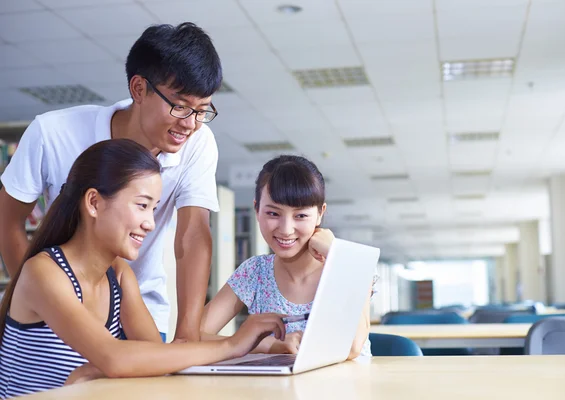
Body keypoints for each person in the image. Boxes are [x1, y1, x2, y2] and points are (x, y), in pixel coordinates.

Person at [0, 140, 285, 399]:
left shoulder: (120, 276)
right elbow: (115, 358)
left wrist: (255, 346)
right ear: (94, 203)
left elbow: (160, 359)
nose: (150, 223)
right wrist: (232, 345)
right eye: (142, 206)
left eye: (154, 208)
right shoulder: (43, 272)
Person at [0, 22, 222, 342]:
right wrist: (41, 298)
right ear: (139, 89)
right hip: (58, 309)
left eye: (202, 111)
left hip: (141, 310)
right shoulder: (53, 133)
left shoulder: (199, 144)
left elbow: (192, 235)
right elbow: (8, 222)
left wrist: (189, 333)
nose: (190, 124)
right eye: (180, 105)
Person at [200, 155, 371, 359]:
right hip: (276, 390)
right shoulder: (255, 272)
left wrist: (335, 255)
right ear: (257, 210)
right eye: (273, 214)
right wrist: (269, 345)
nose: (286, 229)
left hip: (345, 388)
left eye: (300, 216)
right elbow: (193, 337)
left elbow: (352, 347)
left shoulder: (351, 264)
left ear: (320, 213)